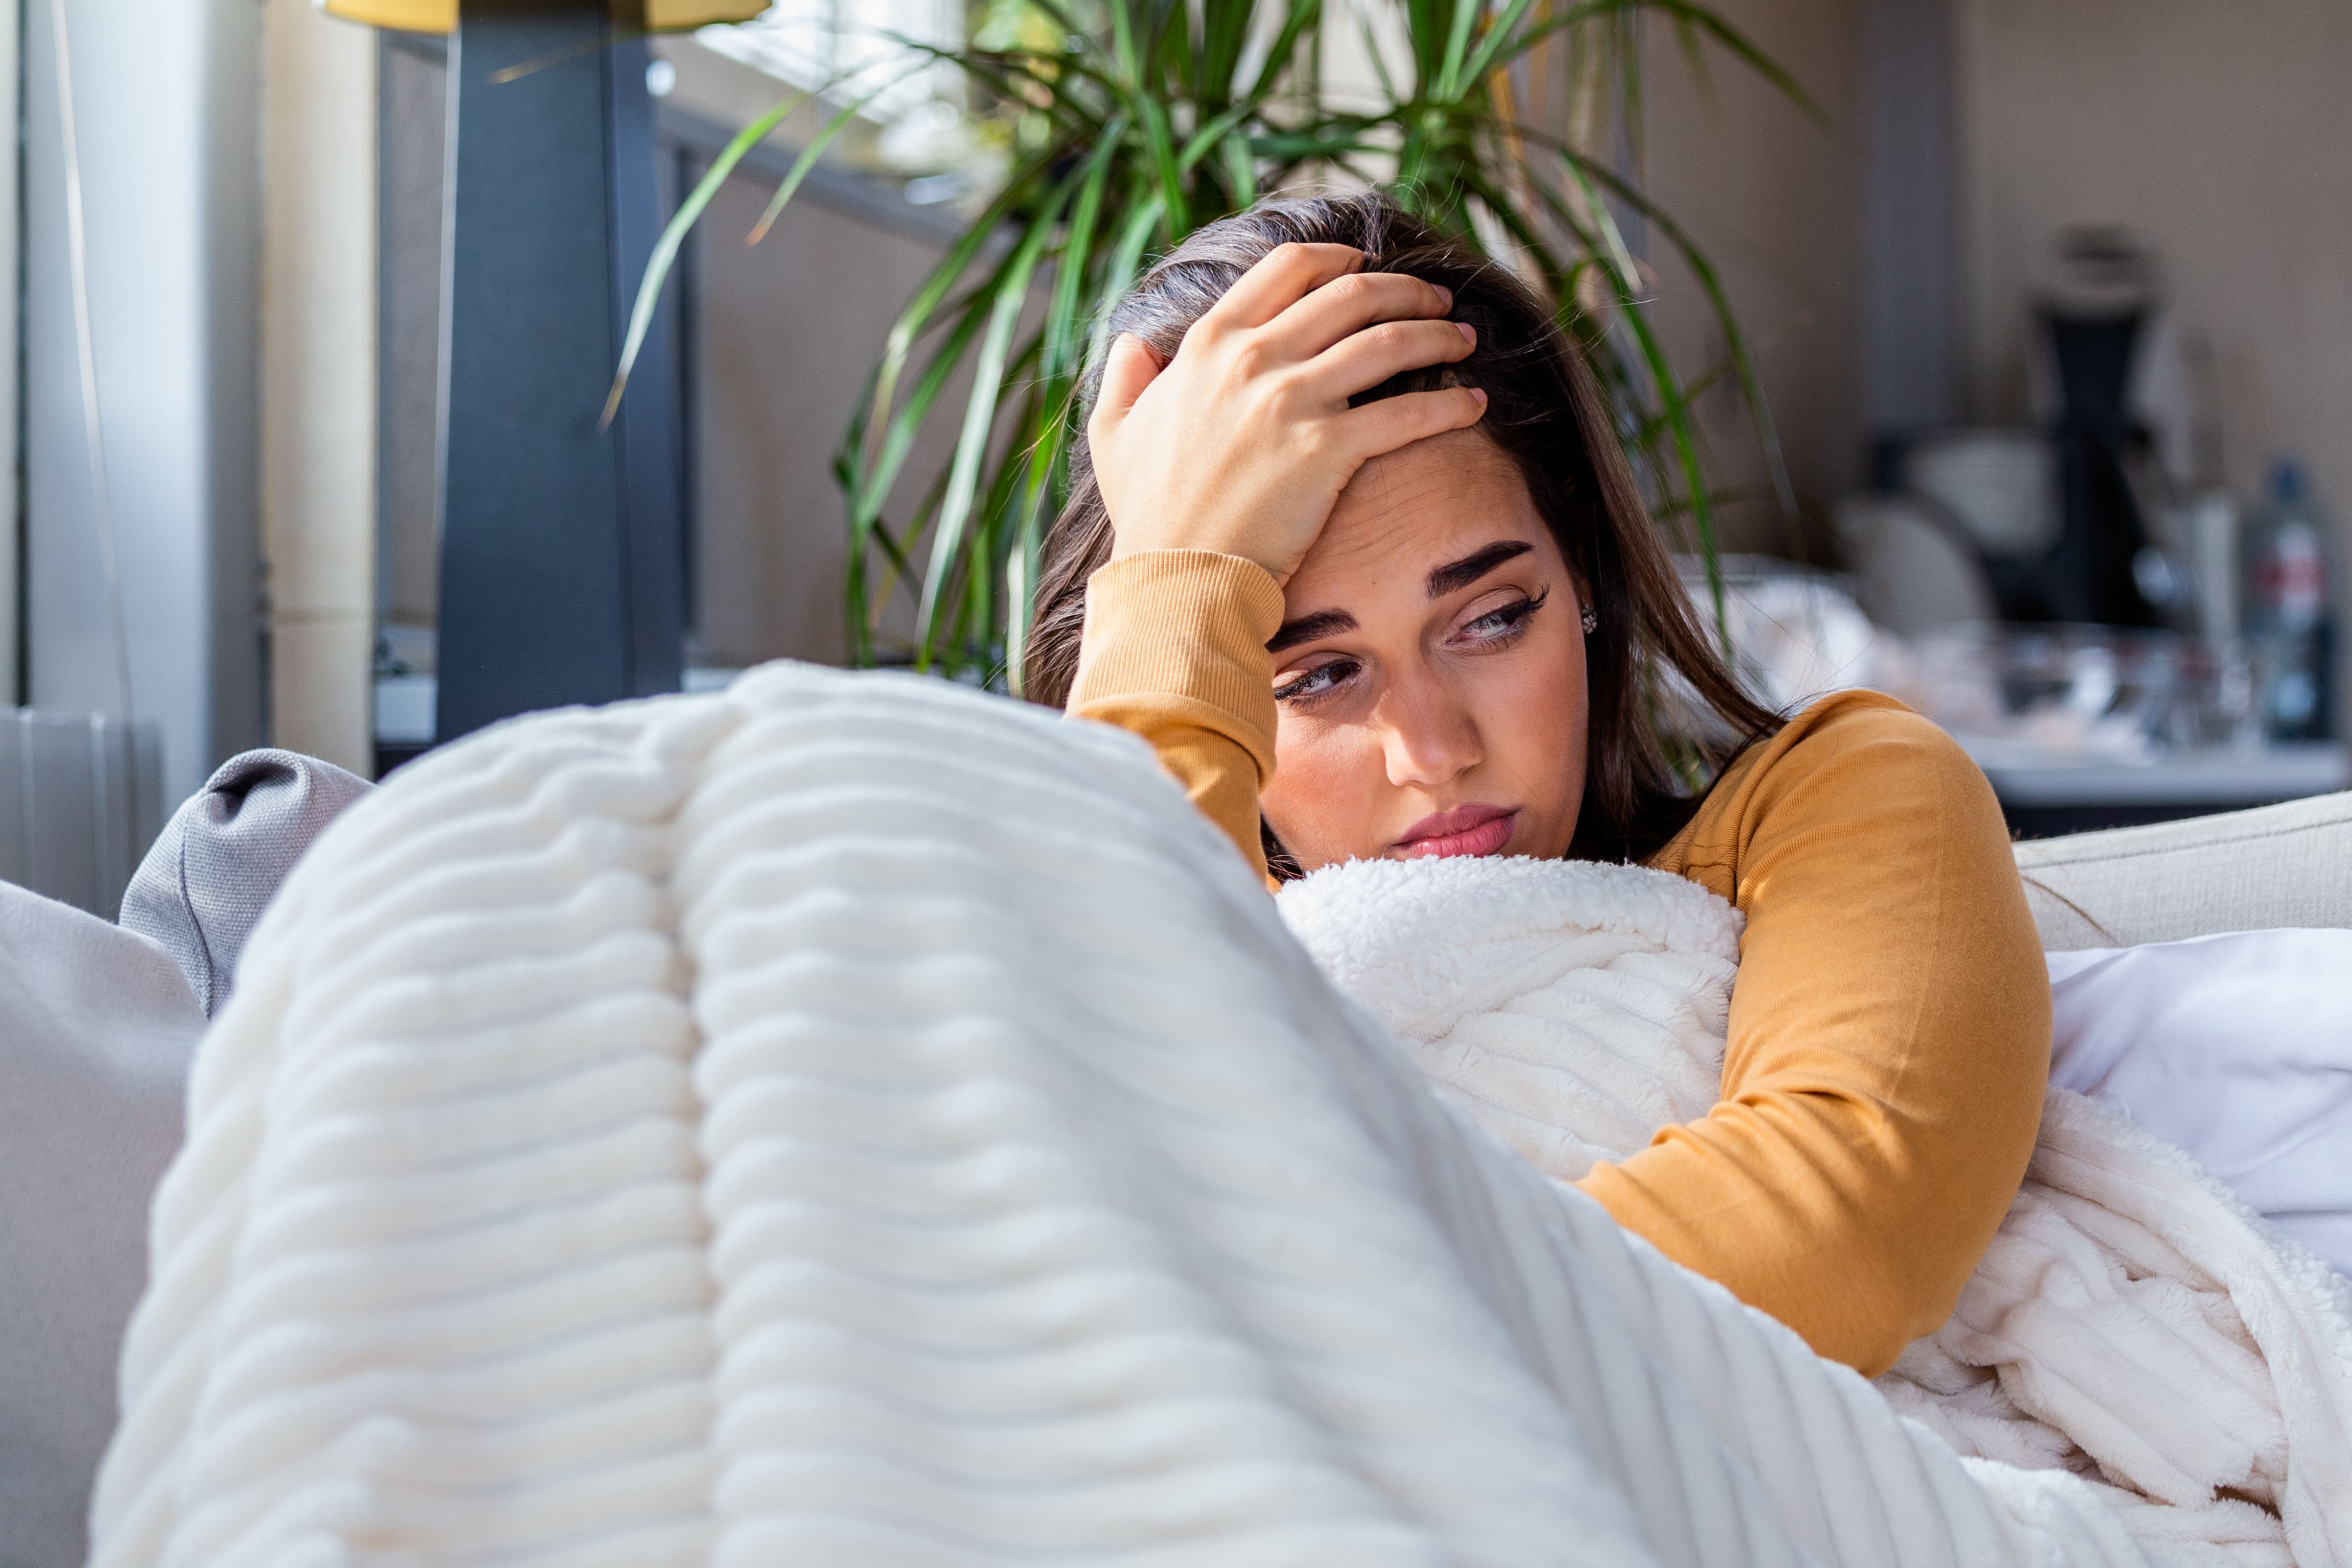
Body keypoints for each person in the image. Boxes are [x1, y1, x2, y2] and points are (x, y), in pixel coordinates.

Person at [1025, 193, 2050, 1378]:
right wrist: (1177, 576)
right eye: (1314, 674)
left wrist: (1272, 1317)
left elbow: (1846, 1240)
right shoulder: (1152, 900)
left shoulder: (1842, 797)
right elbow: (1076, 1147)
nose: (1431, 747)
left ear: (1583, 582)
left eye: (1492, 618)